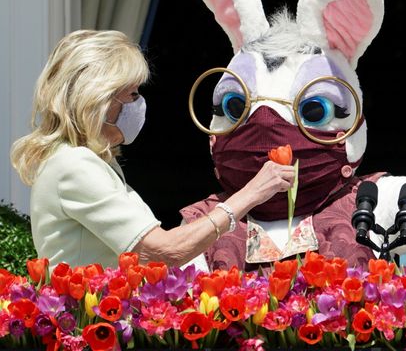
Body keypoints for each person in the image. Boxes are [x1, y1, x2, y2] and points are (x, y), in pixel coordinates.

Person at [10, 30, 295, 269]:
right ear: (97, 99)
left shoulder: (89, 161)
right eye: (132, 93)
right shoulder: (75, 166)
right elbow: (162, 252)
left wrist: (210, 213)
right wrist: (252, 193)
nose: (139, 103)